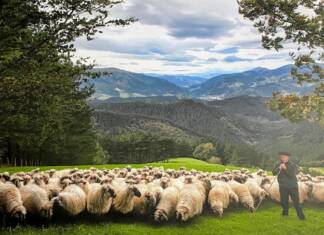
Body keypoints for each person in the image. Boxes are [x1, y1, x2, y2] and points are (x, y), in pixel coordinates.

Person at [272, 152, 305, 220]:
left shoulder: (293, 165)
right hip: (283, 186)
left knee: (296, 202)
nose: (282, 158)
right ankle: (285, 215)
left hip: (292, 186)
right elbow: (273, 173)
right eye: (281, 157)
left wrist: (285, 169)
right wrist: (279, 168)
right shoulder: (278, 164)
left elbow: (292, 175)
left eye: (284, 157)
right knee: (284, 201)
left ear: (287, 157)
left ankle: (301, 217)